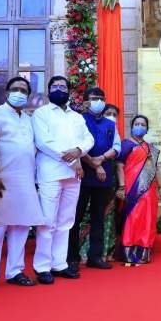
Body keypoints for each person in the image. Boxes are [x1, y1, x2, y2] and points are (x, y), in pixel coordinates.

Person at [0, 77, 45, 292]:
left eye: (23, 90)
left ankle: (15, 271)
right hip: (1, 180)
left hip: (25, 181)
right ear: (7, 92)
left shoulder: (28, 118)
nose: (19, 93)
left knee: (21, 226)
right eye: (15, 89)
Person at [31, 76, 94, 284]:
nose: (59, 89)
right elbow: (44, 142)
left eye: (63, 86)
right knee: (48, 221)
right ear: (48, 90)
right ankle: (42, 266)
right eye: (55, 86)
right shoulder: (41, 113)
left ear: (69, 91)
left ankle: (59, 264)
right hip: (51, 173)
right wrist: (73, 161)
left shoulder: (76, 117)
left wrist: (79, 150)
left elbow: (88, 139)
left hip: (73, 176)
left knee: (66, 221)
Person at [69, 87, 121, 270]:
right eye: (94, 98)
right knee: (75, 218)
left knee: (99, 217)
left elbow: (117, 147)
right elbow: (76, 147)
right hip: (81, 176)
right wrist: (94, 164)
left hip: (103, 178)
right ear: (85, 102)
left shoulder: (110, 124)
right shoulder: (78, 120)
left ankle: (95, 257)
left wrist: (102, 159)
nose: (98, 101)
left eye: (101, 98)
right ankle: (72, 257)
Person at [116, 115, 161, 263]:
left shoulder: (151, 148)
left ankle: (144, 251)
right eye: (137, 124)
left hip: (150, 190)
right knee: (132, 217)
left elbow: (156, 169)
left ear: (147, 129)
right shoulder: (125, 145)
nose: (140, 127)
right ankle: (128, 251)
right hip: (131, 188)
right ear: (132, 127)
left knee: (148, 218)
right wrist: (122, 187)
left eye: (143, 124)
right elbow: (119, 166)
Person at [102, 103, 121, 262]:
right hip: (93, 177)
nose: (112, 117)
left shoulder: (117, 135)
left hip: (111, 180)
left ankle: (107, 250)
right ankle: (84, 251)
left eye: (115, 114)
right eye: (108, 113)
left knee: (109, 214)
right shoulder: (94, 131)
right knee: (90, 215)